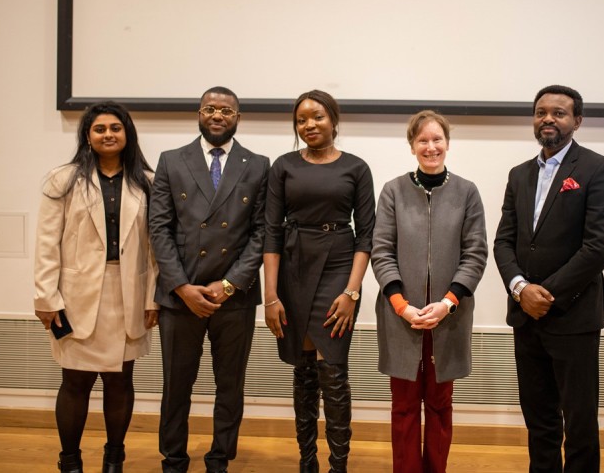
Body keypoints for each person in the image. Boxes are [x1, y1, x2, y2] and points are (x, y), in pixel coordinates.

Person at [493, 85, 604, 473]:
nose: (548, 118)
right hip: (525, 315)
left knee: (579, 423)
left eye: (559, 113)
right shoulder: (519, 174)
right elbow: (503, 242)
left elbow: (598, 248)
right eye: (541, 112)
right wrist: (520, 289)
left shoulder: (599, 168)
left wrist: (544, 294)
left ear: (577, 121)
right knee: (540, 420)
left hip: (573, 316)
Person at [33, 101, 159, 473]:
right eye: (100, 129)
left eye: (115, 128)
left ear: (127, 134)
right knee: (75, 381)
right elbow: (46, 243)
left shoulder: (147, 182)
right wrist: (45, 297)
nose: (108, 134)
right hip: (76, 296)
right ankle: (69, 460)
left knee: (121, 380)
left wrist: (155, 296)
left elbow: (156, 247)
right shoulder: (63, 179)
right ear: (87, 136)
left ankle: (114, 457)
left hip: (129, 293)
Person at [149, 86, 269, 473]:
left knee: (230, 387)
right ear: (199, 114)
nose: (218, 116)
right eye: (210, 109)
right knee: (176, 386)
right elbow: (159, 229)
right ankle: (173, 460)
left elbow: (262, 234)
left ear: (238, 118)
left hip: (233, 297)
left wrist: (230, 283)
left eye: (226, 111)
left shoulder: (258, 164)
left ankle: (219, 460)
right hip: (180, 295)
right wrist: (182, 287)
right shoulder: (171, 161)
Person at [263, 89, 376, 473]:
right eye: (301, 120)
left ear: (334, 120)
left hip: (340, 266)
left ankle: (338, 465)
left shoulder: (356, 167)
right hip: (294, 268)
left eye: (318, 117)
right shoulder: (283, 166)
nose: (309, 125)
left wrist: (351, 291)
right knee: (304, 367)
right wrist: (270, 296)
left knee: (334, 368)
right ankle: (307, 462)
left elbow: (367, 236)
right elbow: (271, 233)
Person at [371, 110, 487, 473]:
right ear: (411, 146)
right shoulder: (393, 190)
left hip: (447, 318)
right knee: (403, 407)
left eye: (437, 139)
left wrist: (448, 303)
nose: (431, 146)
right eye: (423, 140)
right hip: (400, 317)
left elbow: (476, 253)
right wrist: (402, 306)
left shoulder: (467, 192)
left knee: (440, 406)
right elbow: (381, 251)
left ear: (447, 144)